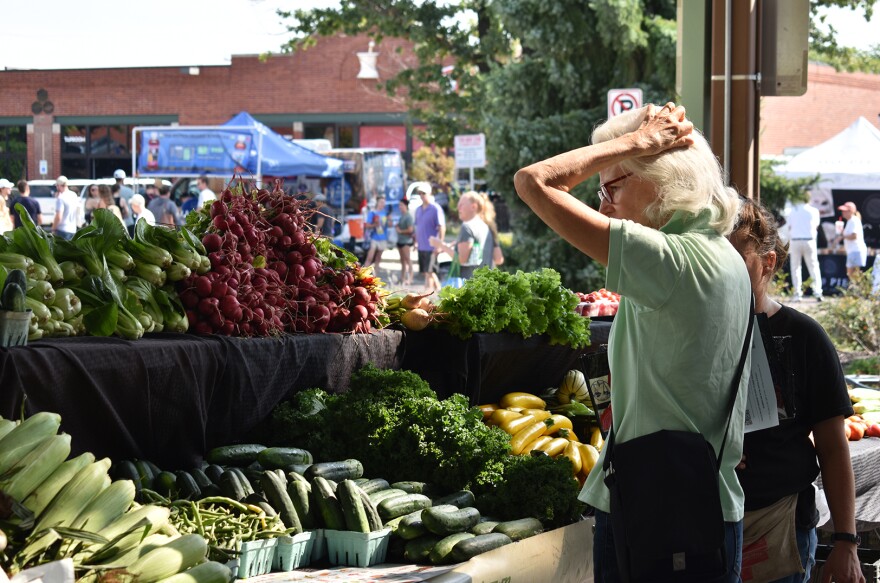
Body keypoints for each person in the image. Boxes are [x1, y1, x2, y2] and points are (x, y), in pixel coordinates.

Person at [514, 102, 751, 582]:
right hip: (703, 504)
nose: (602, 204)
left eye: (611, 185)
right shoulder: (722, 254)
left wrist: (632, 143)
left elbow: (533, 183)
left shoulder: (672, 260)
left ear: (662, 177)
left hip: (657, 509)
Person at [729, 198, 863, 583]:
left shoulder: (805, 337)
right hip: (706, 524)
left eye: (737, 256)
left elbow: (833, 446)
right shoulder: (698, 333)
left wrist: (846, 541)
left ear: (767, 263)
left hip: (779, 523)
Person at [431, 191, 490, 279]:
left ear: (473, 207)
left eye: (461, 205)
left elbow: (462, 260)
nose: (458, 208)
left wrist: (440, 245)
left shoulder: (467, 227)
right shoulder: (484, 226)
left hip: (467, 282)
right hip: (481, 280)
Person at [785, 192, 824, 302]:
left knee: (796, 267)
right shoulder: (814, 211)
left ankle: (798, 293)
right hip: (809, 240)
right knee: (813, 267)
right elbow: (816, 226)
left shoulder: (792, 210)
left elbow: (789, 226)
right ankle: (818, 292)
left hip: (796, 240)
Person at [413, 182, 445, 293]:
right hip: (421, 245)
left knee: (430, 271)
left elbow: (441, 227)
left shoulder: (436, 209)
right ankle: (437, 290)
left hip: (432, 247)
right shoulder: (418, 209)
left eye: (423, 193)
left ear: (429, 193)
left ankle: (429, 291)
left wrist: (440, 245)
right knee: (426, 271)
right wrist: (416, 242)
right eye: (420, 193)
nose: (421, 195)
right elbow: (418, 227)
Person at [835, 201, 868, 283]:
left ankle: (856, 292)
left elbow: (854, 236)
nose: (843, 212)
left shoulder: (854, 220)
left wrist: (842, 236)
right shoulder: (851, 221)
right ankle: (854, 292)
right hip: (853, 251)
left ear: (851, 211)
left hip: (856, 251)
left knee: (854, 274)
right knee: (851, 274)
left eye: (845, 211)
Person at [363, 195, 390, 269]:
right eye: (381, 202)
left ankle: (375, 277)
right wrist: (375, 224)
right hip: (374, 238)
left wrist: (389, 220)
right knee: (370, 258)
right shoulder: (373, 213)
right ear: (377, 203)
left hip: (383, 238)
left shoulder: (385, 213)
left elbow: (389, 225)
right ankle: (363, 275)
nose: (382, 204)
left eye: (384, 202)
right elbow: (367, 225)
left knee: (378, 259)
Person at [52, 175, 80, 240]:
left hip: (62, 229)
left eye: (56, 185)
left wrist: (53, 228)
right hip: (73, 229)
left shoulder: (61, 198)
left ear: (59, 185)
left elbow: (59, 216)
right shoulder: (73, 195)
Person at [395, 197, 415, 286]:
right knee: (402, 261)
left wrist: (400, 231)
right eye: (399, 205)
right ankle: (402, 278)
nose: (400, 207)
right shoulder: (402, 216)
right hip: (400, 241)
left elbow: (410, 230)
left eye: (401, 205)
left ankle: (410, 278)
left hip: (406, 241)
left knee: (408, 260)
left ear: (406, 206)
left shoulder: (408, 216)